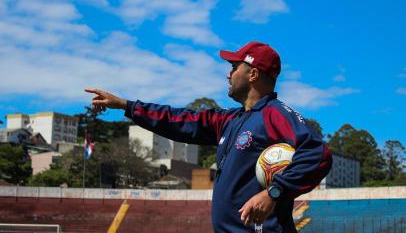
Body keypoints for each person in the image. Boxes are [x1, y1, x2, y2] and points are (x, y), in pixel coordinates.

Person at [85, 41, 332, 233]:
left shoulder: (274, 114)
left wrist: (273, 193)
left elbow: (317, 153)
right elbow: (177, 119)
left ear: (253, 74)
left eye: (234, 67)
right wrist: (127, 106)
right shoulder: (229, 120)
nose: (228, 74)